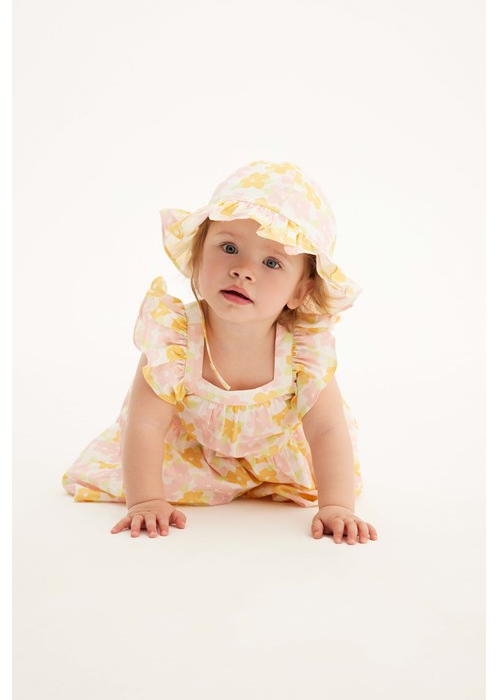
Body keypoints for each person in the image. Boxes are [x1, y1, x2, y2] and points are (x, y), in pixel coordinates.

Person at [62, 160, 378, 545]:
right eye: (229, 248)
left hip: (273, 461)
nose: (243, 270)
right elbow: (144, 424)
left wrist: (337, 506)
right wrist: (145, 500)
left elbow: (328, 429)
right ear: (197, 258)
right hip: (194, 458)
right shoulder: (174, 340)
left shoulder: (302, 354)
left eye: (272, 262)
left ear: (301, 291)